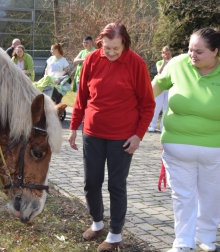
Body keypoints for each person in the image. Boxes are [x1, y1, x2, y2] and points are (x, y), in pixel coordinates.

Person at [67, 23, 155, 252]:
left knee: (116, 185)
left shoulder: (136, 63)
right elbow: (81, 97)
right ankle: (97, 222)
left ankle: (115, 234)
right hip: (93, 134)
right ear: (100, 43)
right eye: (107, 47)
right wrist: (74, 127)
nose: (112, 52)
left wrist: (138, 136)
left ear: (125, 43)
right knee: (91, 182)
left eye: (116, 48)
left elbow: (147, 105)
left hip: (122, 138)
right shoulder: (92, 60)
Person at [152, 28, 220, 252]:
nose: (192, 55)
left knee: (211, 195)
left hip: (215, 149)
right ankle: (183, 242)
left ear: (216, 52)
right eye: (190, 49)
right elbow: (152, 91)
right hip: (177, 146)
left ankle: (207, 237)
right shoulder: (178, 64)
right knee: (182, 196)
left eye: (199, 51)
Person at [148, 46, 172, 132]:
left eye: (169, 54)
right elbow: (159, 72)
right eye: (165, 54)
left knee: (166, 108)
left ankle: (163, 127)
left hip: (169, 87)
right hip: (159, 87)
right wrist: (164, 62)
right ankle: (153, 126)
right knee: (156, 107)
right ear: (162, 54)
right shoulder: (159, 62)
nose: (167, 55)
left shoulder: (174, 62)